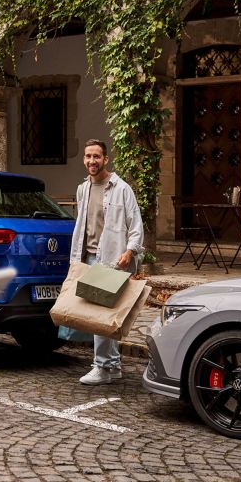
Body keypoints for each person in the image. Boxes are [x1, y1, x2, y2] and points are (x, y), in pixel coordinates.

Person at [70, 139, 144, 385]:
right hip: (87, 257)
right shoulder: (83, 189)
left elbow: (135, 225)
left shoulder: (121, 189)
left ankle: (102, 366)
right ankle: (112, 367)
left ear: (106, 159)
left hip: (111, 260)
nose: (92, 161)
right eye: (88, 156)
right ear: (84, 159)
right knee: (99, 316)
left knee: (100, 315)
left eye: (97, 157)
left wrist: (130, 251)